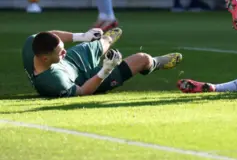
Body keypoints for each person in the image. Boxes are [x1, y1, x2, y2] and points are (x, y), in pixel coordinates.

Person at [22, 28, 183, 97]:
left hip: (70, 63)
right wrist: (106, 70)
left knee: (101, 40)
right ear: (45, 58)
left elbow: (50, 35)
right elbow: (83, 91)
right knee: (143, 59)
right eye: (60, 52)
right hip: (85, 80)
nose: (64, 51)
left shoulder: (32, 43)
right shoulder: (55, 82)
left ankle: (105, 41)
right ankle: (154, 64)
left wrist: (81, 36)